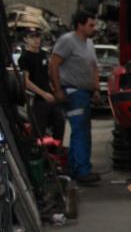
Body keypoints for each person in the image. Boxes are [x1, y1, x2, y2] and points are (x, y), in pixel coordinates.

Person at [49, 11, 101, 183]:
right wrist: (58, 89)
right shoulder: (67, 41)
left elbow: (94, 67)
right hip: (73, 92)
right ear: (80, 25)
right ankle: (82, 170)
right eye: (91, 25)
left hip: (85, 93)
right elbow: (54, 64)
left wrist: (96, 89)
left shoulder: (89, 43)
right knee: (80, 132)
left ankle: (74, 167)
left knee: (82, 131)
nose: (94, 28)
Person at [17, 29, 65, 142]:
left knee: (59, 123)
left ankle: (56, 149)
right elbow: (26, 81)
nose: (36, 40)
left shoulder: (43, 54)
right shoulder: (25, 57)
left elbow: (47, 74)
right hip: (37, 99)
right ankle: (39, 151)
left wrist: (54, 88)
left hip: (50, 96)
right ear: (25, 39)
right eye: (32, 37)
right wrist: (43, 94)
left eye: (38, 36)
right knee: (39, 131)